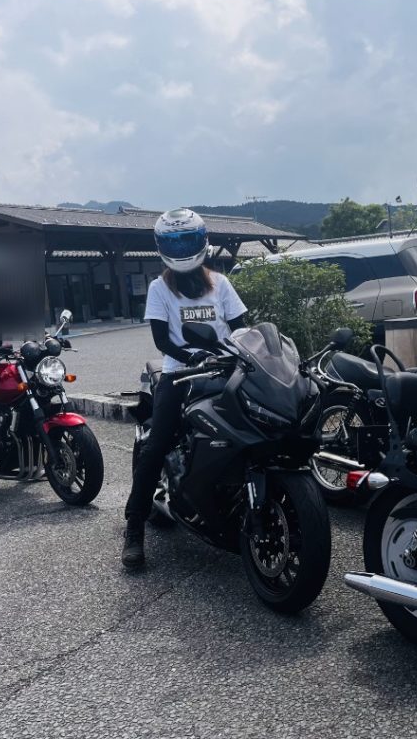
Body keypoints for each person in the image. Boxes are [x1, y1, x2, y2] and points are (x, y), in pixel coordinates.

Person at [122, 209, 247, 568]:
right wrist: (193, 357)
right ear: (161, 247)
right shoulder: (159, 288)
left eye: (187, 241)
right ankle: (134, 527)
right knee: (156, 445)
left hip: (224, 371)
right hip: (179, 374)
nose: (181, 249)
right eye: (173, 243)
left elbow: (242, 328)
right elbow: (162, 340)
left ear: (202, 241)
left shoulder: (220, 283)